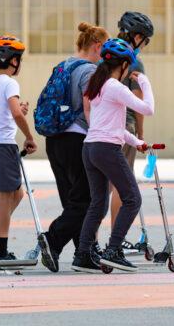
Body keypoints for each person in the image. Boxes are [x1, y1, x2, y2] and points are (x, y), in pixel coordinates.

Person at [71, 38, 154, 273]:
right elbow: (148, 109)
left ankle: (83, 255)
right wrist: (145, 82)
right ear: (125, 66)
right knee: (133, 199)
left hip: (90, 148)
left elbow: (110, 126)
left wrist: (136, 141)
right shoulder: (116, 87)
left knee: (97, 204)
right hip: (106, 150)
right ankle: (113, 251)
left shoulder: (98, 87)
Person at [41, 22, 109, 272]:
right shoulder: (90, 71)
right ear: (98, 46)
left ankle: (84, 253)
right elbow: (90, 108)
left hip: (54, 140)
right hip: (77, 139)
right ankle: (52, 240)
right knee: (89, 200)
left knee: (73, 200)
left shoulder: (63, 65)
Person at [0, 35, 39, 262]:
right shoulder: (11, 83)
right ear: (13, 61)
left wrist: (15, 111)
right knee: (5, 197)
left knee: (17, 193)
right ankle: (0, 250)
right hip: (3, 144)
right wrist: (29, 136)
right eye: (19, 59)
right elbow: (14, 113)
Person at [110, 11, 154, 251]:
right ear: (137, 37)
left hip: (101, 127)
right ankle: (117, 240)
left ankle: (92, 243)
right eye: (145, 41)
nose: (144, 46)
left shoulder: (105, 55)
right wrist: (140, 134)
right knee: (122, 183)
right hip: (124, 125)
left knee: (101, 187)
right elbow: (138, 101)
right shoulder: (133, 61)